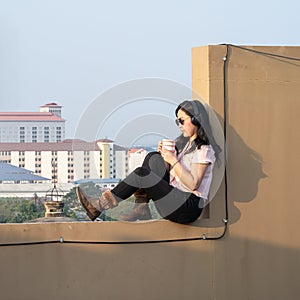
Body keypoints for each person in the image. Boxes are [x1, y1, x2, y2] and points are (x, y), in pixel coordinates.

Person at [76, 100, 220, 224]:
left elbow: (194, 184)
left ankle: (100, 205)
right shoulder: (185, 144)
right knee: (153, 157)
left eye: (182, 120)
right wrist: (165, 157)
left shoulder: (204, 149)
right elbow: (173, 173)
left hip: (188, 207)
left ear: (195, 119)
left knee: (142, 174)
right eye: (177, 121)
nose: (179, 125)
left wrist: (173, 159)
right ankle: (141, 207)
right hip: (175, 200)